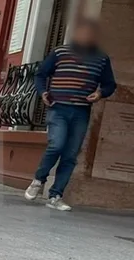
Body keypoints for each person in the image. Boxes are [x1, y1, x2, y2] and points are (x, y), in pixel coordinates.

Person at [24, 16, 117, 211]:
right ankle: (38, 180)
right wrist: (43, 93)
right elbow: (41, 74)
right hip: (58, 108)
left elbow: (110, 84)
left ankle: (56, 195)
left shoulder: (101, 58)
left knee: (71, 154)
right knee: (56, 144)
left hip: (81, 111)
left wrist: (99, 93)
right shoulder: (60, 52)